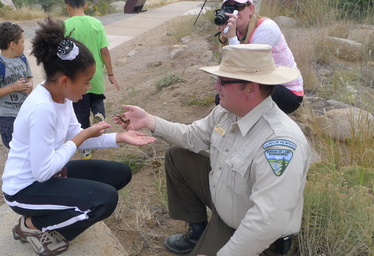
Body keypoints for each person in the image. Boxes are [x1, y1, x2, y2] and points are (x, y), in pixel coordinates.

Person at [115, 44, 311, 256]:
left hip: (257, 240)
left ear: (251, 89)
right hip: (227, 207)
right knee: (178, 156)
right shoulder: (227, 112)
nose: (216, 86)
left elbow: (267, 221)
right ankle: (198, 233)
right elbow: (192, 136)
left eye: (224, 81)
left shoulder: (279, 143)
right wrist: (149, 120)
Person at [1, 17, 156, 256]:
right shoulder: (42, 108)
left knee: (119, 174)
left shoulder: (61, 96)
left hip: (49, 176)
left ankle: (54, 216)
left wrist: (120, 138)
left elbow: (79, 136)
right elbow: (45, 168)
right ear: (65, 80)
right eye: (86, 83)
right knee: (105, 200)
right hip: (24, 190)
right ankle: (31, 226)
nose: (88, 89)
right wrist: (78, 139)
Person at [216, 0, 304, 114]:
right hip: (264, 82)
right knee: (222, 98)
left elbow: (246, 67)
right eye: (228, 7)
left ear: (251, 9)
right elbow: (229, 68)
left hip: (286, 90)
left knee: (231, 99)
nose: (234, 11)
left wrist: (232, 38)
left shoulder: (266, 29)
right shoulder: (238, 30)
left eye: (239, 6)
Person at [63, 0, 120, 159]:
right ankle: (99, 114)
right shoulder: (96, 24)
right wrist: (110, 74)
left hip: (76, 78)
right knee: (97, 99)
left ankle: (85, 150)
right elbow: (105, 51)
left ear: (67, 7)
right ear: (86, 5)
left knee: (80, 112)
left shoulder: (65, 26)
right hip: (94, 74)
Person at [0, 22, 34, 149]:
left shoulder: (22, 58)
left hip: (25, 111)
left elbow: (29, 76)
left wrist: (30, 85)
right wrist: (12, 88)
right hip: (7, 115)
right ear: (12, 44)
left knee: (29, 143)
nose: (24, 45)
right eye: (22, 42)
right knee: (14, 146)